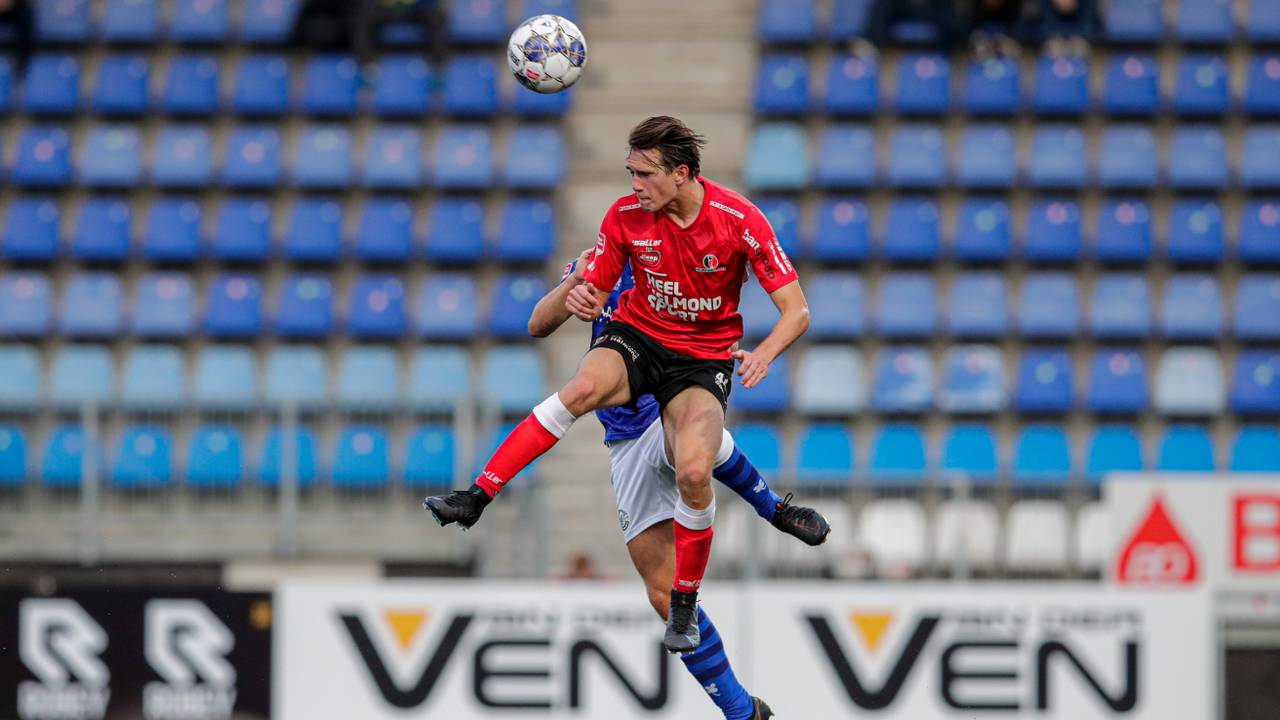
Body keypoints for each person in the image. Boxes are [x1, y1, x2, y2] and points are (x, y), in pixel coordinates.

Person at [425, 116, 811, 657]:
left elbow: (796, 309)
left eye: (644, 174)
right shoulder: (623, 223)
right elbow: (562, 306)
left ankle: (705, 580)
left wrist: (765, 354)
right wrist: (577, 295)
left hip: (697, 364)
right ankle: (477, 496)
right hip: (638, 357)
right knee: (580, 388)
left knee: (696, 464)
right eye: (629, 172)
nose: (633, 185)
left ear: (681, 174)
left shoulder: (739, 220)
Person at [524, 246, 831, 718]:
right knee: (662, 596)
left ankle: (771, 506)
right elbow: (537, 325)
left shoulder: (680, 260)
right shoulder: (604, 256)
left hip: (670, 401)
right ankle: (743, 710)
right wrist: (571, 286)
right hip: (623, 438)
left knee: (688, 453)